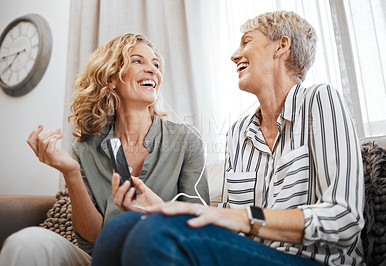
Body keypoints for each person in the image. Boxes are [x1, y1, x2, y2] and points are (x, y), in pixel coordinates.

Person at [91, 11, 365, 266]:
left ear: (281, 47)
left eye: (246, 42)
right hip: (250, 255)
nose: (235, 55)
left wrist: (244, 217)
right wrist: (162, 208)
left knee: (156, 233)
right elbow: (225, 222)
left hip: (310, 259)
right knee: (119, 228)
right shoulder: (238, 132)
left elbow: (345, 218)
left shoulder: (319, 100)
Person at [0, 33, 209, 266]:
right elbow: (91, 239)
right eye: (138, 61)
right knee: (26, 242)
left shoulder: (186, 140)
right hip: (103, 258)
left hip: (162, 256)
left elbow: (201, 228)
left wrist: (157, 214)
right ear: (111, 77)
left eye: (156, 64)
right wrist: (71, 173)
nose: (153, 70)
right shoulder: (86, 148)